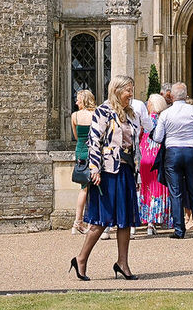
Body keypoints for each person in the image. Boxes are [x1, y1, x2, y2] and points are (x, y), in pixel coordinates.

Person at [72, 74, 154, 281]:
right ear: (117, 91)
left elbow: (135, 143)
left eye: (132, 90)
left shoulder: (131, 113)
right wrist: (95, 169)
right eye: (128, 90)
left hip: (126, 171)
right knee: (102, 220)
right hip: (107, 172)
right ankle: (81, 259)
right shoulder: (103, 111)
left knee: (125, 220)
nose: (131, 94)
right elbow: (94, 141)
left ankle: (122, 264)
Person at [151, 81, 193, 238]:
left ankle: (179, 230)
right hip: (192, 151)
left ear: (171, 96)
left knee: (175, 192)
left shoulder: (166, 114)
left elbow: (158, 138)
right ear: (186, 95)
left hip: (173, 152)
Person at [137, 92, 170, 235]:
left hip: (145, 157)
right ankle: (155, 220)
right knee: (159, 187)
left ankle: (147, 219)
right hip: (158, 157)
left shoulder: (146, 121)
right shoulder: (163, 119)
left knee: (146, 188)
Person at [69, 88, 96, 234]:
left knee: (83, 188)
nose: (76, 102)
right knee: (95, 187)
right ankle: (88, 221)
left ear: (83, 101)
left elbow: (76, 136)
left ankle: (77, 222)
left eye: (78, 100)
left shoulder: (75, 116)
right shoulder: (95, 114)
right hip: (93, 151)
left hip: (80, 151)